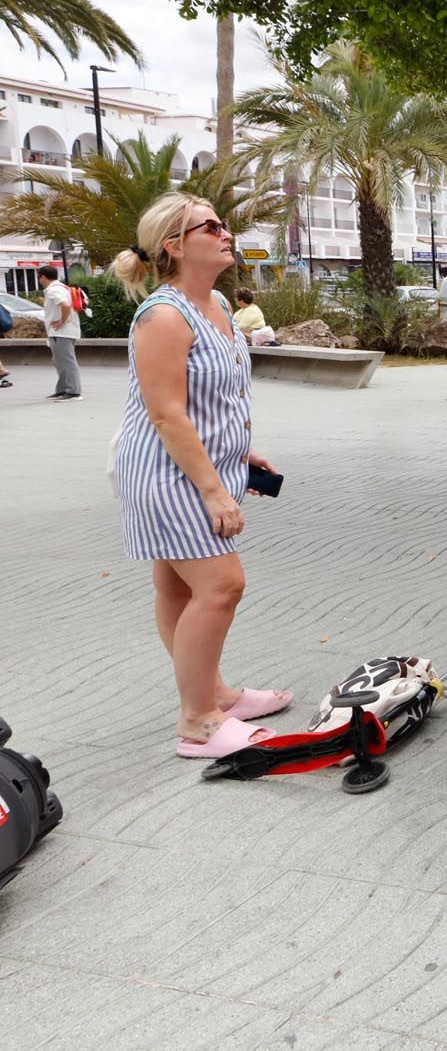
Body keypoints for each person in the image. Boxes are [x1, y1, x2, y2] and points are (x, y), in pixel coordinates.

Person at [109, 196, 290, 757]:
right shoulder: (164, 315)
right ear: (174, 244)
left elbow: (212, 400)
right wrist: (214, 490)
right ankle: (199, 722)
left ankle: (214, 694)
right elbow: (165, 412)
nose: (226, 232)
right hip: (167, 474)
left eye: (224, 223)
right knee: (221, 585)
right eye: (211, 226)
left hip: (202, 465)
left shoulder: (215, 305)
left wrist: (242, 452)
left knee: (176, 585)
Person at [39, 264, 82, 399]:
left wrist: (62, 321)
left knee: (66, 361)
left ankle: (73, 391)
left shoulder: (53, 290)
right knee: (60, 361)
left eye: (39, 277)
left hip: (61, 332)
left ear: (43, 277)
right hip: (63, 332)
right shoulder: (63, 288)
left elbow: (65, 305)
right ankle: (63, 388)